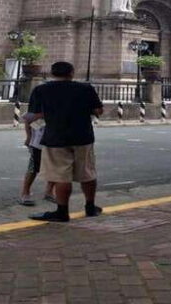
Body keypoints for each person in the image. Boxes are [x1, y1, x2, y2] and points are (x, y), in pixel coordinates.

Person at [25, 61, 104, 222]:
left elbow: (33, 115)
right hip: (83, 136)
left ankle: (62, 211)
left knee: (61, 175)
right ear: (72, 73)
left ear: (52, 73)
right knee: (87, 172)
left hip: (55, 137)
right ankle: (90, 207)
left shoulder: (41, 90)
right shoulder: (85, 89)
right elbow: (98, 111)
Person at [18, 112, 55, 206]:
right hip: (37, 142)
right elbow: (28, 119)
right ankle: (25, 193)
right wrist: (28, 137)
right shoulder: (38, 105)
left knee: (55, 167)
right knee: (33, 168)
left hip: (56, 141)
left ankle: (49, 191)